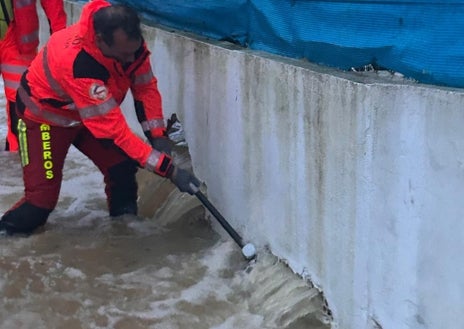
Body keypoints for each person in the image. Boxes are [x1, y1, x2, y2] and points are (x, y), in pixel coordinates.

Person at [0, 0, 200, 235]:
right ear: (101, 41)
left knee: (122, 170)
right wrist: (171, 171)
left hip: (85, 114)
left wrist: (158, 137)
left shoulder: (130, 46)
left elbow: (145, 88)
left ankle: (124, 234)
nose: (130, 59)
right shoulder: (80, 65)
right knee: (39, 205)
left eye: (133, 52)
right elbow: (117, 135)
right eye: (123, 55)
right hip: (45, 120)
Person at [0, 0, 67, 151]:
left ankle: (19, 161)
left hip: (17, 41)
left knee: (22, 102)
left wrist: (60, 40)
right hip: (15, 39)